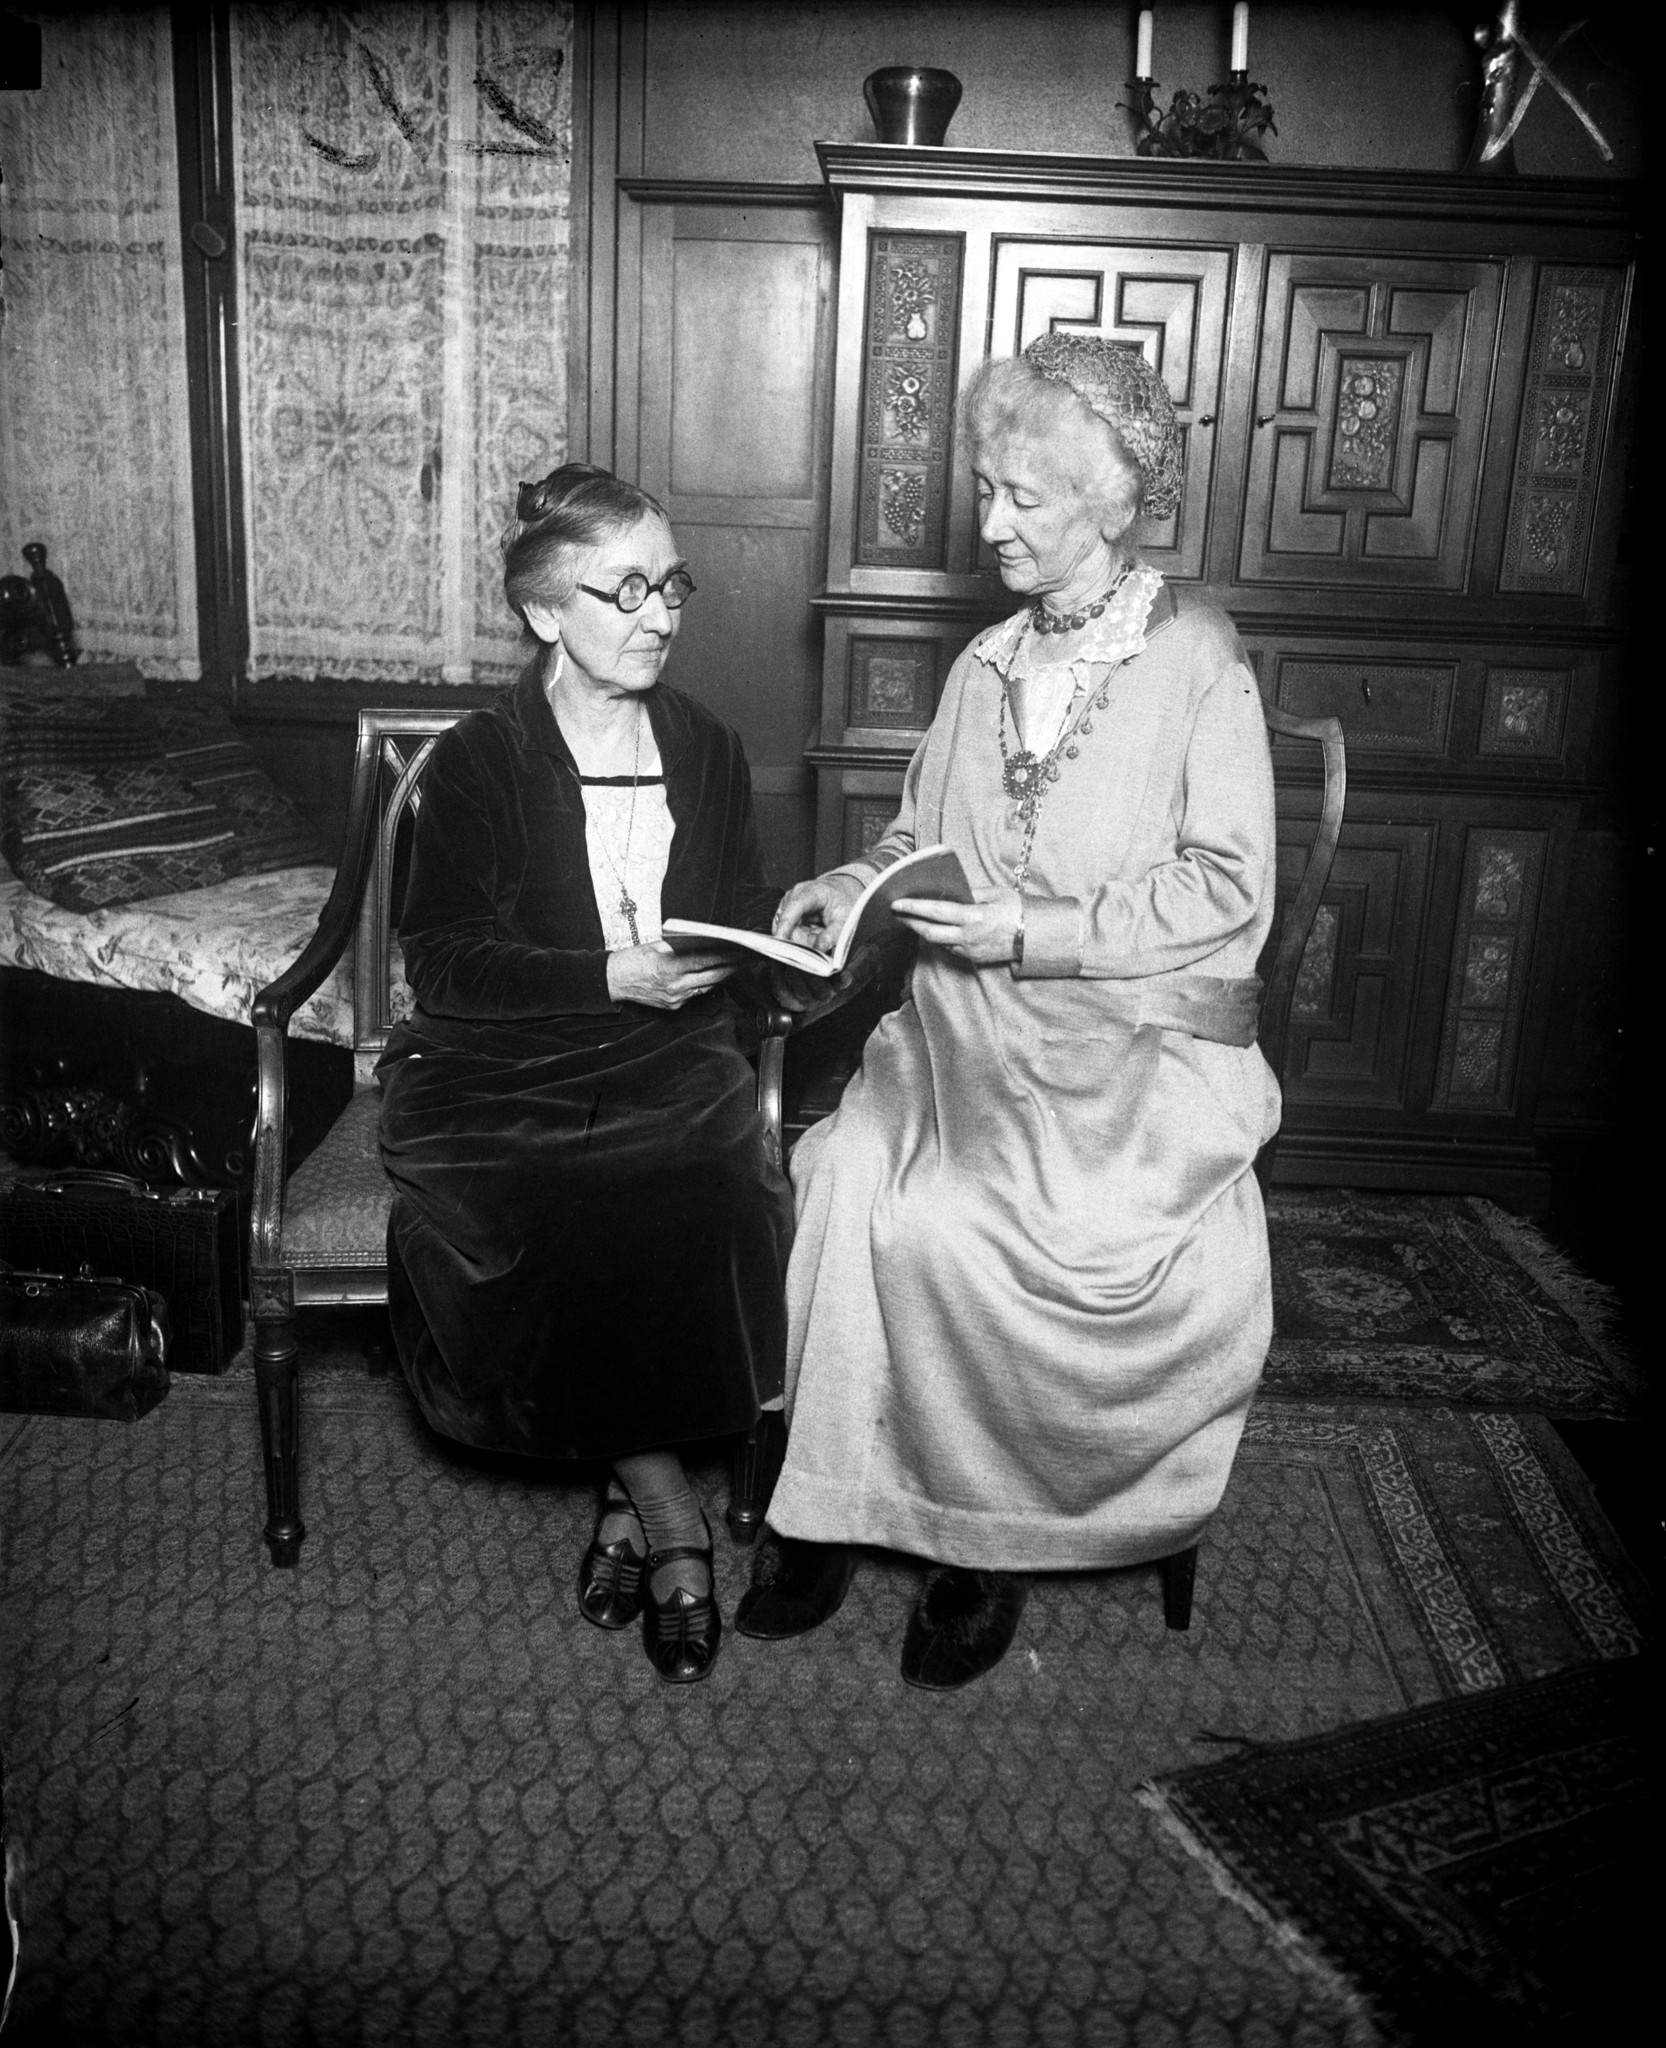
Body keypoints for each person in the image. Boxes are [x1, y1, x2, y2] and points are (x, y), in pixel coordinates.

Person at [736, 335, 1280, 1689]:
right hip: (958, 1040)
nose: (989, 527)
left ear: (1109, 503)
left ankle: (981, 1545)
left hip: (1130, 1062)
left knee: (958, 1223)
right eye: (987, 492)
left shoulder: (1197, 663)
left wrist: (1038, 931)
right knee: (840, 1172)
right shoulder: (983, 663)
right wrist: (846, 883)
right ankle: (823, 1505)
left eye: (1021, 501)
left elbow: (1226, 886)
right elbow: (925, 835)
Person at [378, 462, 792, 1684]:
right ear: (546, 612)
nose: (662, 611)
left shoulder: (706, 746)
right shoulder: (472, 763)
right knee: (544, 1188)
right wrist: (603, 975)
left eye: (671, 582)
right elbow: (446, 962)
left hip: (666, 1048)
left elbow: (731, 918)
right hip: (489, 1063)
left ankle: (624, 1494)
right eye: (627, 589)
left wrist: (798, 949)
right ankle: (664, 1509)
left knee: (705, 1172)